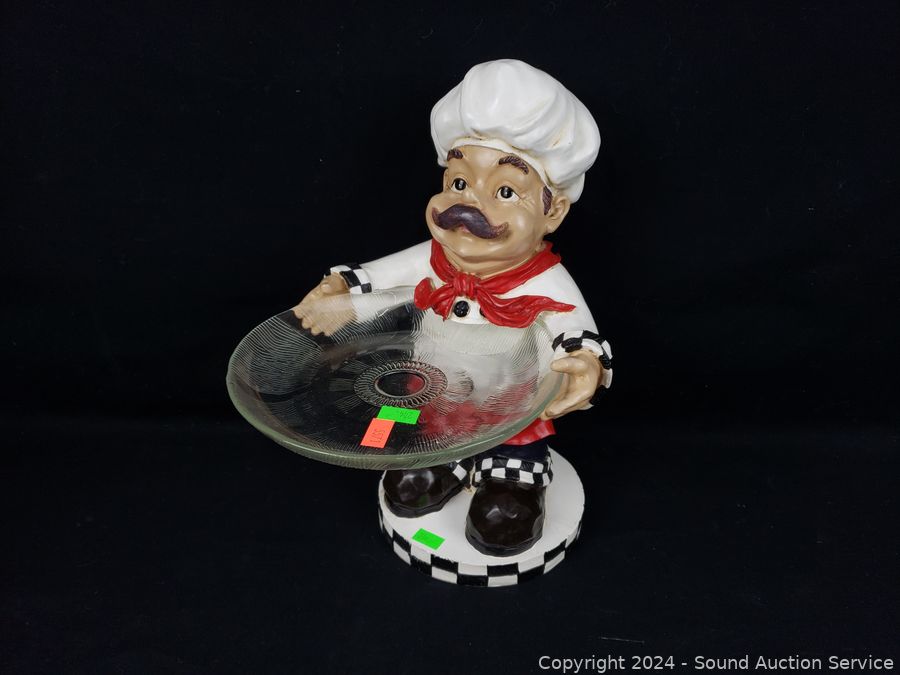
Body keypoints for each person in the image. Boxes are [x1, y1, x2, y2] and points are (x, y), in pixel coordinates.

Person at [294, 60, 613, 556]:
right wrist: (339, 292)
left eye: (505, 191)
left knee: (503, 510)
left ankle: (511, 482)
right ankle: (443, 462)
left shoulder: (546, 282)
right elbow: (377, 277)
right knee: (412, 477)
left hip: (509, 411)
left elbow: (578, 333)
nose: (469, 207)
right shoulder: (432, 256)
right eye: (459, 183)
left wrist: (584, 366)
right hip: (436, 399)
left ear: (552, 210)